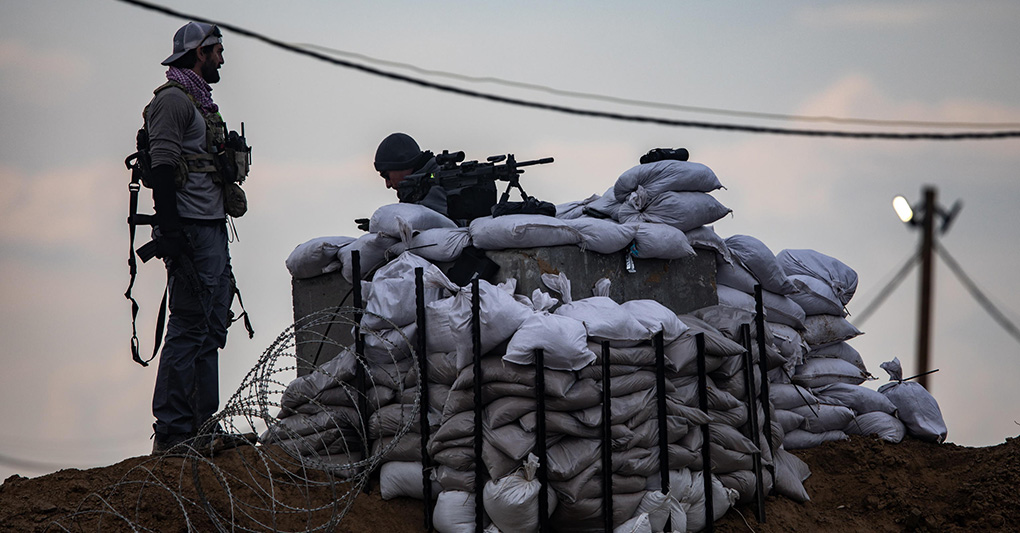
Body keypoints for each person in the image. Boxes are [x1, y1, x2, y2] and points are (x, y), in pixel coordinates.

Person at [144, 21, 251, 455]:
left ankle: (202, 428)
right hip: (189, 230)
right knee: (188, 327)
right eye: (217, 50)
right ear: (199, 53)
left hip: (211, 228)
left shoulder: (201, 103)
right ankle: (172, 433)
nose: (222, 58)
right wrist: (171, 232)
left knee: (211, 328)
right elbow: (163, 168)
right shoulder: (172, 102)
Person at [373, 132, 448, 216]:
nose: (388, 184)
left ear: (401, 166)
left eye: (387, 176)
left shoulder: (436, 182)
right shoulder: (424, 184)